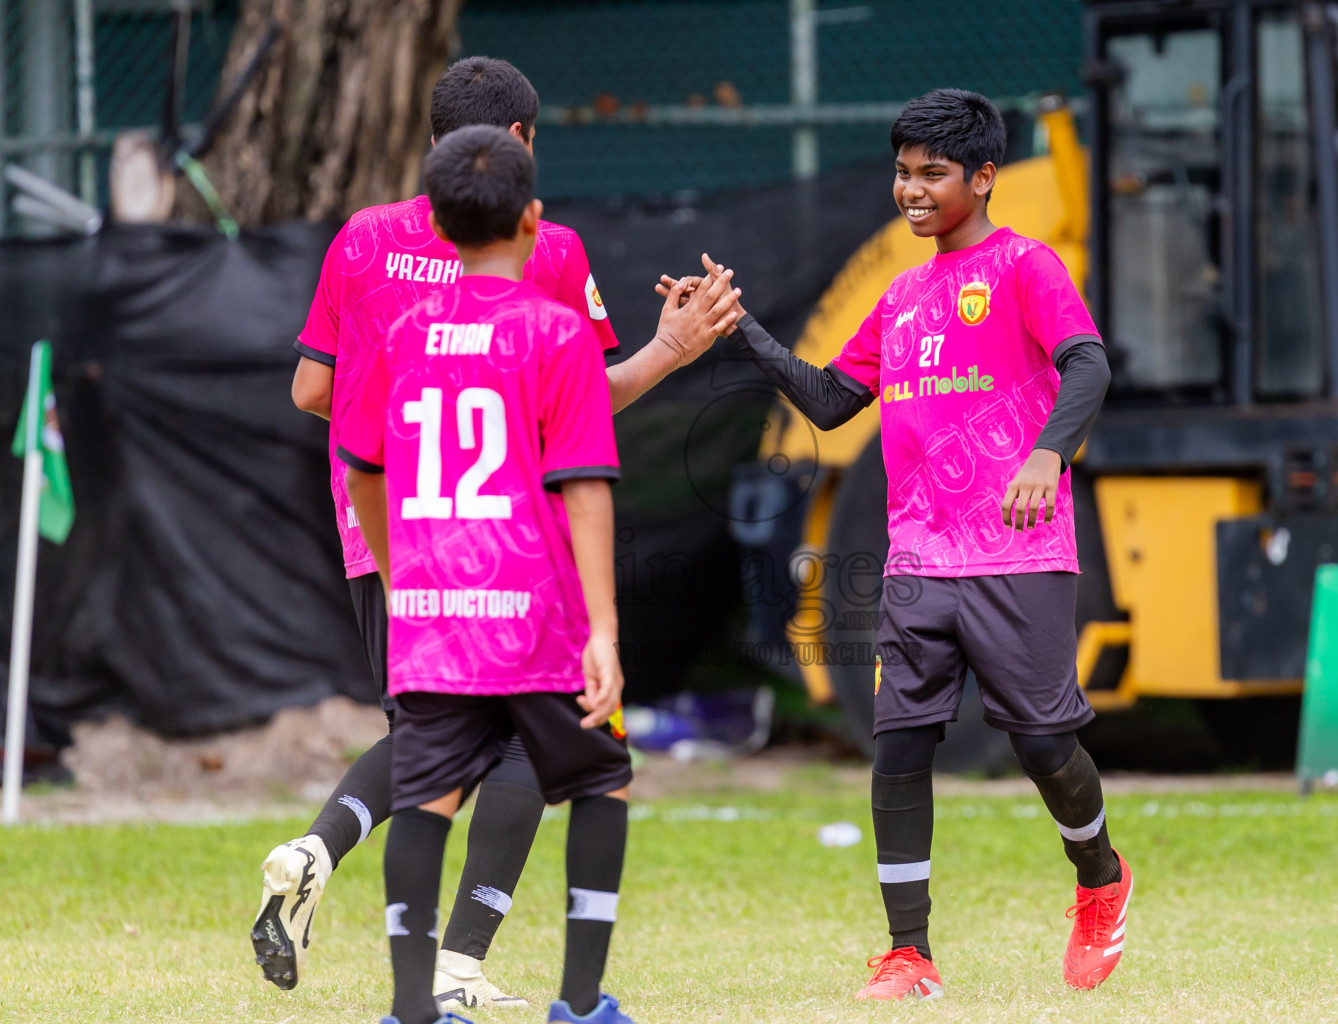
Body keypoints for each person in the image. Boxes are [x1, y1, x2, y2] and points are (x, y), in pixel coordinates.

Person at [258, 56, 738, 1010]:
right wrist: (673, 348)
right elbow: (581, 420)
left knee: (432, 732)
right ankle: (472, 967)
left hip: (394, 541)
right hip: (512, 538)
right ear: (520, 149)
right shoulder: (547, 251)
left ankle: (324, 851)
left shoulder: (362, 242)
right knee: (539, 743)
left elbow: (316, 393)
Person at [667, 88, 1130, 997]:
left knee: (1042, 744)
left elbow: (1089, 363)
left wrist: (1046, 454)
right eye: (903, 173)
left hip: (1020, 556)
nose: (911, 190)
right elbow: (834, 399)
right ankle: (908, 953)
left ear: (984, 178)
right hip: (917, 562)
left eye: (933, 175)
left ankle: (1102, 881)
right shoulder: (903, 293)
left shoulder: (1028, 268)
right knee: (901, 745)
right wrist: (742, 330)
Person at [340, 124, 656, 1024]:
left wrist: (404, 575)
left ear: (437, 225)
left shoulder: (399, 333)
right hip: (533, 609)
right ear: (533, 219)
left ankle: (413, 1004)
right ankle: (582, 1000)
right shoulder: (555, 334)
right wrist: (603, 628)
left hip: (437, 607)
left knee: (426, 796)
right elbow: (585, 489)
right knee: (602, 780)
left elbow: (361, 465)